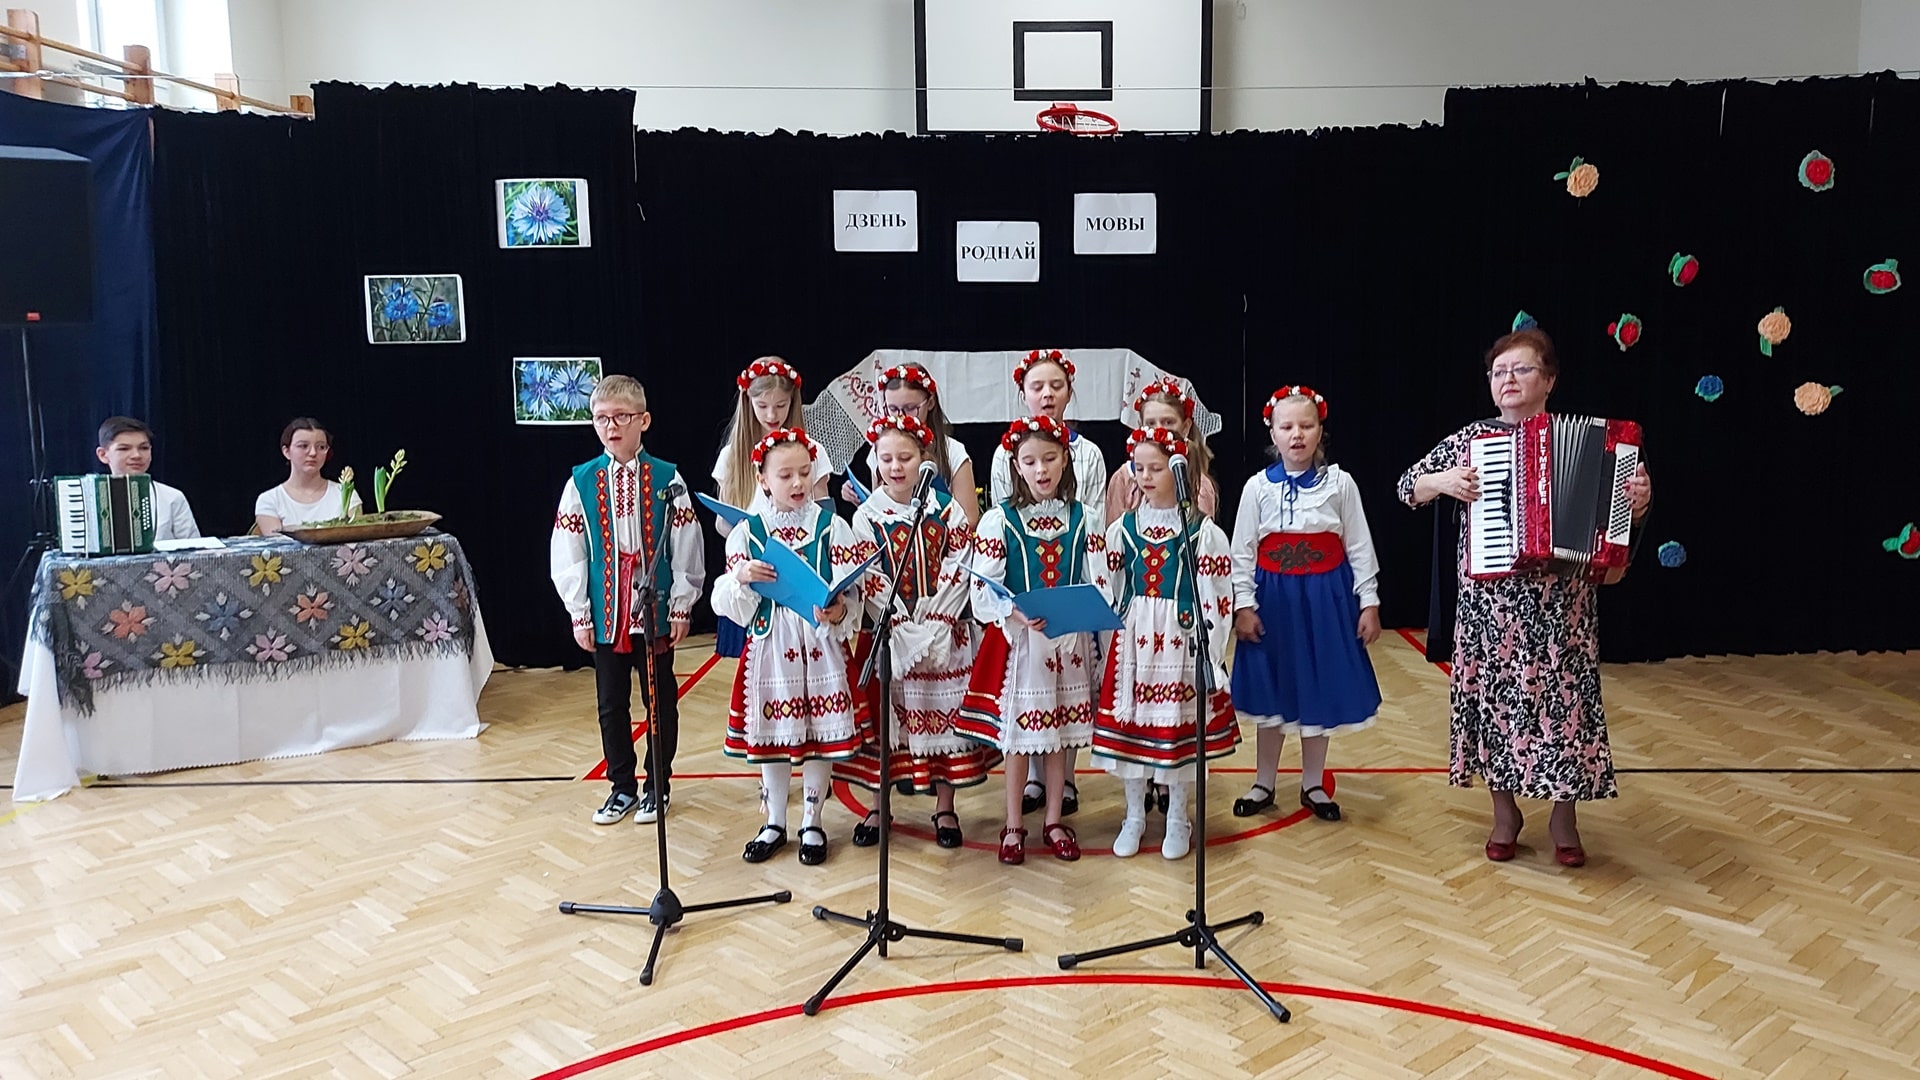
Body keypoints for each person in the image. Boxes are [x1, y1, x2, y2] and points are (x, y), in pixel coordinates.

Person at [1396, 329, 1651, 866]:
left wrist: (1638, 501)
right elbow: (1406, 487)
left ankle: (1564, 816)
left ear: (1549, 380)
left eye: (1521, 369)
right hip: (1491, 609)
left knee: (1566, 710)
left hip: (1564, 608)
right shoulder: (1472, 439)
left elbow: (1616, 522)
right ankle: (1504, 813)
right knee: (1494, 709)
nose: (1507, 380)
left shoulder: (1602, 442)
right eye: (1498, 372)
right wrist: (1443, 482)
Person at [550, 376, 705, 826]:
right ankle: (621, 787)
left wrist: (682, 603)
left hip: (655, 607)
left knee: (660, 701)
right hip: (607, 611)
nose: (611, 426)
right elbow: (568, 549)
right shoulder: (582, 480)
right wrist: (579, 611)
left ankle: (658, 785)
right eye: (602, 418)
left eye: (621, 417)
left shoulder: (667, 476)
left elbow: (686, 541)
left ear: (644, 420)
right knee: (610, 704)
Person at [836, 415, 995, 849]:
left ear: (924, 458)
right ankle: (878, 804)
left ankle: (945, 807)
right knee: (886, 724)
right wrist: (901, 625)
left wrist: (938, 618)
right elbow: (869, 576)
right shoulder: (866, 516)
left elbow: (960, 564)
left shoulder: (946, 511)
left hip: (943, 634)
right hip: (891, 634)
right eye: (886, 458)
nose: (895, 467)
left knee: (944, 721)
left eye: (905, 457)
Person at [710, 428, 865, 866]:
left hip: (820, 645)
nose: (798, 483)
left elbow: (852, 592)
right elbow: (731, 604)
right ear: (762, 480)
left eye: (804, 472)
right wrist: (742, 578)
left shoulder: (832, 527)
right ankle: (774, 820)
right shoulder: (748, 533)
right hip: (771, 645)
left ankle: (812, 820)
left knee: (819, 735)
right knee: (774, 735)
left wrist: (840, 610)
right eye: (785, 475)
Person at [1229, 386, 1383, 824]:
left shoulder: (1340, 484)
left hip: (1324, 600)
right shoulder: (1257, 488)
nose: (1296, 435)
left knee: (1318, 685)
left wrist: (1368, 601)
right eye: (1287, 427)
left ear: (1320, 431)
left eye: (1306, 425)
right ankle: (1263, 782)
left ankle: (1313, 783)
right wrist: (1244, 605)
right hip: (1274, 600)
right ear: (1273, 434)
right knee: (1273, 688)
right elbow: (1242, 551)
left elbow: (1359, 545)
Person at [959, 415, 1108, 865]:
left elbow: (1101, 582)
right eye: (1030, 461)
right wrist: (1015, 611)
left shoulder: (1086, 518)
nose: (1041, 469)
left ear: (1065, 460)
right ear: (1016, 466)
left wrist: (1085, 610)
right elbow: (982, 588)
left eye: (1049, 458)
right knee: (1019, 740)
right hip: (1023, 646)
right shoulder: (998, 520)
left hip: (1068, 645)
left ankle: (1055, 819)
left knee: (1059, 735)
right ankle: (1013, 824)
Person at [1093, 427, 1238, 860]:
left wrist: (1212, 653)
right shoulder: (1124, 529)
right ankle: (1133, 815)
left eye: (1155, 468)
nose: (1145, 476)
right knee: (1133, 729)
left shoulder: (1201, 532)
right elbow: (1107, 583)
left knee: (1176, 728)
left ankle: (1178, 816)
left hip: (1180, 639)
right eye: (1139, 468)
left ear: (1179, 471)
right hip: (1135, 641)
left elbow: (1217, 595)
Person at [986, 348, 1108, 816]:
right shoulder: (1004, 497)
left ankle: (1061, 794)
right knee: (1024, 722)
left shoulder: (1087, 469)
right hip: (1025, 631)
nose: (1047, 394)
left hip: (1068, 630)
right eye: (1037, 386)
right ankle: (1020, 810)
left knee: (1064, 716)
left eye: (1056, 385)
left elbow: (1093, 557)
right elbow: (999, 559)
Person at [710, 357, 831, 659]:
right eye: (762, 406)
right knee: (753, 666)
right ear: (747, 402)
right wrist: (745, 528)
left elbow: (826, 514)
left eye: (781, 405)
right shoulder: (732, 456)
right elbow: (721, 525)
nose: (772, 414)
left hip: (800, 575)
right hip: (752, 577)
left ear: (794, 401)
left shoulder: (813, 451)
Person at [840, 362, 981, 528]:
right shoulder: (879, 451)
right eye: (893, 409)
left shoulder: (953, 452)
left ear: (930, 403)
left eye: (910, 408)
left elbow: (969, 519)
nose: (901, 417)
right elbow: (881, 507)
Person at [1103, 381, 1219, 523]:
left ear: (1185, 427)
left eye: (1168, 422)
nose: (1159, 430)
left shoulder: (1199, 485)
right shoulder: (1124, 479)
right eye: (1150, 423)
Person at [95, 416, 199, 541]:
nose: (136, 455)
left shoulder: (172, 497)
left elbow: (194, 547)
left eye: (144, 448)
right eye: (124, 449)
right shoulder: (90, 498)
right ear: (103, 455)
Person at [254, 418, 360, 534]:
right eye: (303, 446)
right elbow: (277, 542)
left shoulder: (346, 495)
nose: (313, 453)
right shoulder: (270, 500)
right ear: (286, 451)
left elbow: (355, 537)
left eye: (321, 447)